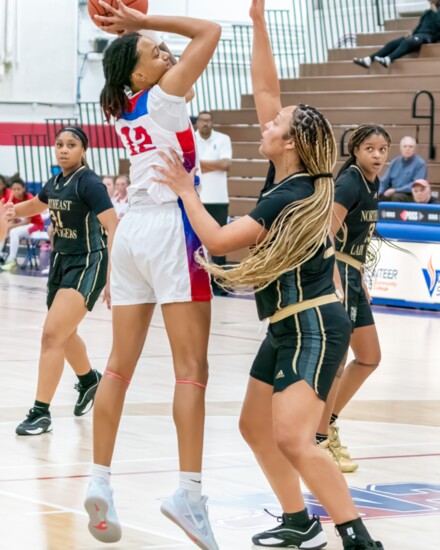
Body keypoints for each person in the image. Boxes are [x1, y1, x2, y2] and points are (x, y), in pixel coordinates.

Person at [152, 2, 384, 549]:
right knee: (255, 429)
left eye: (276, 124)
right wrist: (258, 25)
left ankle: (357, 537)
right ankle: (299, 521)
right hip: (283, 324)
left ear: (292, 144)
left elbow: (219, 242)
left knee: (296, 439)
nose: (268, 121)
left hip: (314, 325)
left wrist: (186, 190)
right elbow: (267, 91)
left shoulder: (296, 193)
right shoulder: (288, 172)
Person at [84, 3, 221, 549]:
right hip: (169, 225)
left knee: (118, 367)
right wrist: (150, 24)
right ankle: (188, 493)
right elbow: (210, 30)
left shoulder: (124, 107)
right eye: (155, 53)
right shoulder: (164, 97)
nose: (167, 53)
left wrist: (131, 33)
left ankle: (99, 480)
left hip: (133, 231)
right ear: (140, 74)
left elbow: (160, 54)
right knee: (191, 369)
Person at [4, 126, 118, 435]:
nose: (64, 149)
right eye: (59, 144)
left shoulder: (90, 183)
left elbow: (113, 226)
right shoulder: (54, 182)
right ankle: (89, 380)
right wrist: (10, 210)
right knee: (64, 334)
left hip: (87, 262)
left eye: (71, 145)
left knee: (52, 334)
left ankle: (41, 413)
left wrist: (112, 274)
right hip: (60, 262)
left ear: (84, 150)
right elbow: (37, 205)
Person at [314, 125, 391, 475]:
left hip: (352, 274)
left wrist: (359, 275)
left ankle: (327, 422)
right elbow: (324, 233)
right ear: (356, 150)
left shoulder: (371, 184)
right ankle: (318, 439)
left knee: (369, 357)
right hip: (338, 274)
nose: (378, 155)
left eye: (383, 149)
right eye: (371, 148)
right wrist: (335, 277)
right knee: (338, 360)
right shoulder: (349, 182)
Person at [195, 111, 232, 294]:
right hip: (198, 199)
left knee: (220, 241)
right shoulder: (191, 139)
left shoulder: (223, 139)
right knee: (195, 242)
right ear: (197, 123)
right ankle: (198, 281)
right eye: (202, 120)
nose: (206, 124)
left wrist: (201, 165)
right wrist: (212, 165)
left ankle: (219, 283)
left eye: (208, 121)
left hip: (219, 198)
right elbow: (191, 167)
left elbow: (226, 165)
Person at [354, 1, 440, 68]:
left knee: (408, 42)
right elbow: (420, 25)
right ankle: (369, 60)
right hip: (418, 34)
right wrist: (412, 32)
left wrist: (436, 12)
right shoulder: (427, 12)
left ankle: (388, 59)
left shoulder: (436, 12)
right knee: (393, 43)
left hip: (428, 36)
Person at [0, 177, 45, 271]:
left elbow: (27, 221)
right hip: (23, 226)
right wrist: (7, 225)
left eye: (18, 189)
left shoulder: (29, 198)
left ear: (24, 189)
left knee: (13, 232)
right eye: (14, 189)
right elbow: (12, 218)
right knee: (4, 229)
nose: (16, 191)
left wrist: (11, 226)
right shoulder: (12, 199)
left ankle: (12, 260)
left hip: (35, 225)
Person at [378, 136, 427, 202]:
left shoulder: (420, 164)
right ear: (401, 148)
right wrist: (379, 192)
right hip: (393, 192)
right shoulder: (395, 162)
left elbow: (416, 185)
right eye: (405, 146)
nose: (407, 149)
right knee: (377, 198)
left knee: (396, 197)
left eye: (410, 147)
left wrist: (395, 190)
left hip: (411, 195)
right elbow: (384, 181)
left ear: (414, 149)